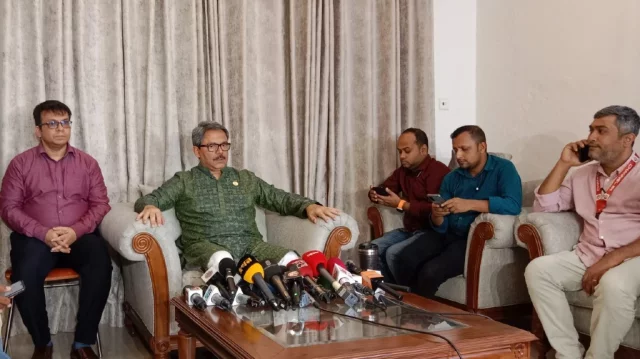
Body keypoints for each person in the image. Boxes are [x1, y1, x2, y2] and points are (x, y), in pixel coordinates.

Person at [134, 121, 340, 271]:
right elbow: (149, 200)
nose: (220, 152)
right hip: (206, 246)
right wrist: (150, 206)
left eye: (224, 145)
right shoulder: (184, 181)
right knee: (222, 260)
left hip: (251, 245)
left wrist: (309, 206)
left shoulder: (245, 178)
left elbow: (279, 198)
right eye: (212, 146)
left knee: (291, 260)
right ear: (197, 151)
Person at [524, 105, 640, 359]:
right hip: (589, 254)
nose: (591, 137)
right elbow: (543, 205)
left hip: (633, 258)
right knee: (539, 270)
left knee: (614, 284)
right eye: (591, 130)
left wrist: (611, 259)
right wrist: (564, 163)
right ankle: (568, 353)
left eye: (601, 131)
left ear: (627, 139)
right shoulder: (583, 174)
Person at [0, 100, 112, 359]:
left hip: (79, 237)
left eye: (65, 123)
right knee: (24, 273)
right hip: (35, 239)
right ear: (38, 130)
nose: (60, 129)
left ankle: (83, 344)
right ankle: (43, 343)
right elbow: (9, 208)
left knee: (100, 263)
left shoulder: (87, 163)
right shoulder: (20, 164)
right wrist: (44, 232)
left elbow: (100, 204)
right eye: (52, 124)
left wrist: (75, 231)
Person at [394, 125, 522, 296]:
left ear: (482, 146)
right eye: (455, 150)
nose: (459, 156)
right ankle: (407, 309)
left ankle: (421, 318)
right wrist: (437, 215)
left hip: (470, 239)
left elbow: (513, 204)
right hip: (445, 235)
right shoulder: (452, 177)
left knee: (430, 272)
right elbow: (441, 225)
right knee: (404, 258)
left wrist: (470, 204)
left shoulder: (504, 169)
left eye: (464, 149)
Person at [368, 128, 449, 283]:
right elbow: (386, 188)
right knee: (372, 249)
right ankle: (383, 293)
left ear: (423, 150)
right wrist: (374, 194)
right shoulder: (403, 171)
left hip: (430, 231)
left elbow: (434, 209)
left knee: (393, 253)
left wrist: (401, 204)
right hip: (409, 229)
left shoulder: (438, 171)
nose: (402, 156)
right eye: (399, 152)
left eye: (407, 151)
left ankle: (406, 298)